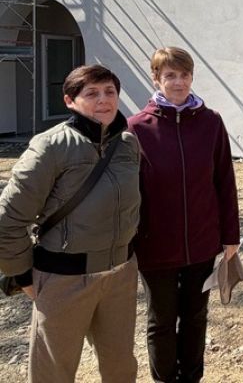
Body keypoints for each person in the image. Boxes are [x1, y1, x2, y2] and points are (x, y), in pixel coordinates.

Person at [0, 64, 140, 382]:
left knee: (121, 368)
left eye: (110, 91)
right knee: (53, 373)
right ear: (69, 100)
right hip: (63, 280)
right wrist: (23, 276)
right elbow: (8, 220)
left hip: (120, 276)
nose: (103, 99)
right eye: (91, 93)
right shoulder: (51, 147)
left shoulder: (128, 143)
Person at [128, 47, 240, 383]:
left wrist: (230, 236)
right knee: (161, 321)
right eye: (170, 75)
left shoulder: (211, 123)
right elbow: (129, 194)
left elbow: (224, 182)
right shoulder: (136, 128)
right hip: (155, 247)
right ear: (156, 78)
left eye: (185, 75)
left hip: (202, 244)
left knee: (195, 317)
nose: (178, 82)